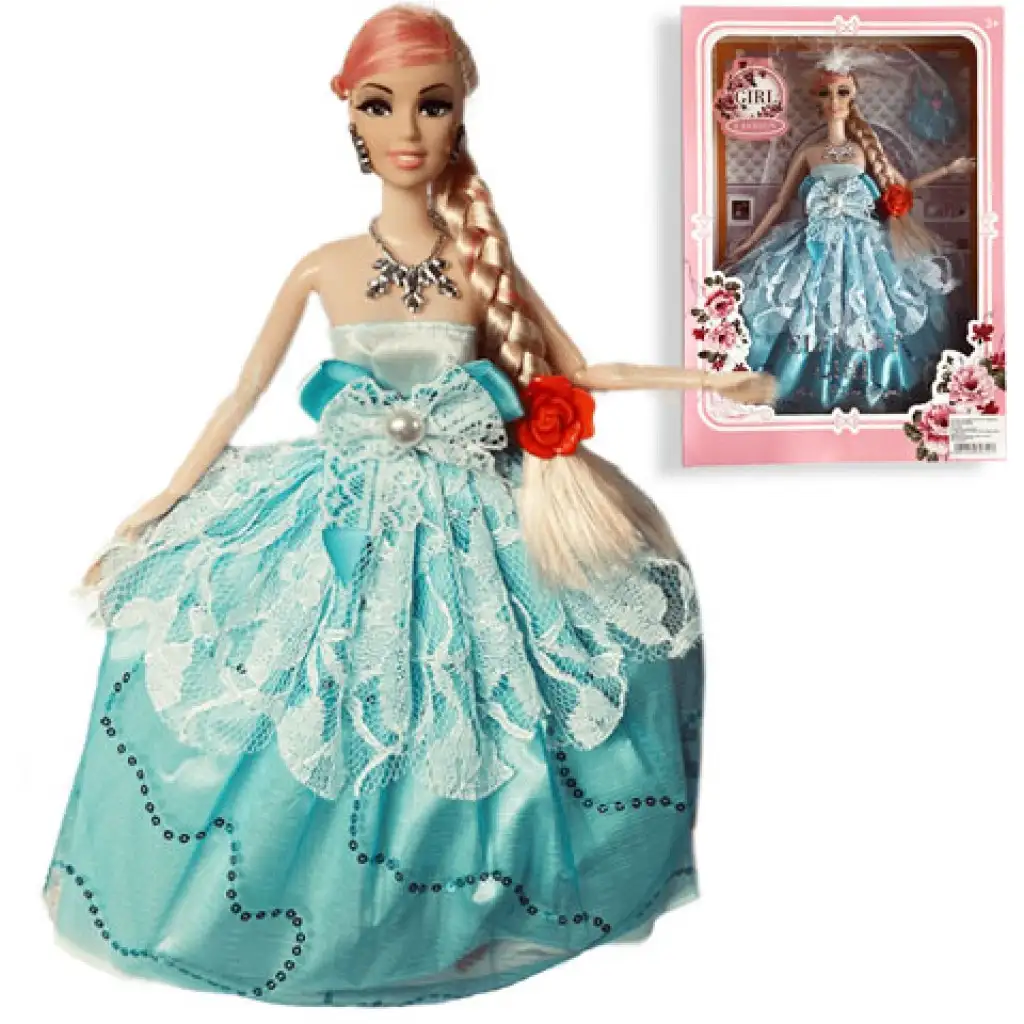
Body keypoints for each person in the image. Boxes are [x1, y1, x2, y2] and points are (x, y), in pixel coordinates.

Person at [44, 5, 774, 1006]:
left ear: (460, 115)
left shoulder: (482, 261)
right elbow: (243, 393)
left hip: (472, 511)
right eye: (380, 104)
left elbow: (576, 367)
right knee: (310, 694)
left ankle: (457, 910)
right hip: (340, 509)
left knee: (482, 705)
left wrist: (707, 382)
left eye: (431, 105)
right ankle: (314, 915)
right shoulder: (322, 264)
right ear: (347, 113)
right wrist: (170, 495)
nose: (407, 128)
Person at [727, 45, 975, 415]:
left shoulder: (863, 150)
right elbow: (779, 202)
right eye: (826, 93)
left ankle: (872, 385)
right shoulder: (810, 153)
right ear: (817, 99)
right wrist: (751, 239)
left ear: (853, 97)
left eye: (842, 92)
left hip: (864, 245)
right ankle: (800, 385)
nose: (834, 101)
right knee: (806, 307)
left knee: (870, 309)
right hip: (815, 242)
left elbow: (900, 187)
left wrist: (948, 170)